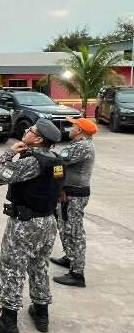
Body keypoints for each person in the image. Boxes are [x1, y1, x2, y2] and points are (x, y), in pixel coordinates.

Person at [0, 119, 65, 333]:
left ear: (38, 139)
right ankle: (41, 313)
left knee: (11, 268)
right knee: (39, 266)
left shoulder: (33, 161)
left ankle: (8, 322)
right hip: (47, 222)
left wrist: (8, 154)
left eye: (30, 130)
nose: (26, 131)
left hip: (25, 224)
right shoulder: (56, 159)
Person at [51, 117, 97, 287]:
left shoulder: (83, 146)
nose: (70, 128)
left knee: (75, 231)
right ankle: (70, 257)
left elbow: (59, 161)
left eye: (73, 126)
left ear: (80, 130)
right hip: (67, 192)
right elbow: (60, 166)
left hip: (75, 194)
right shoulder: (77, 144)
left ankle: (77, 274)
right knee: (64, 226)